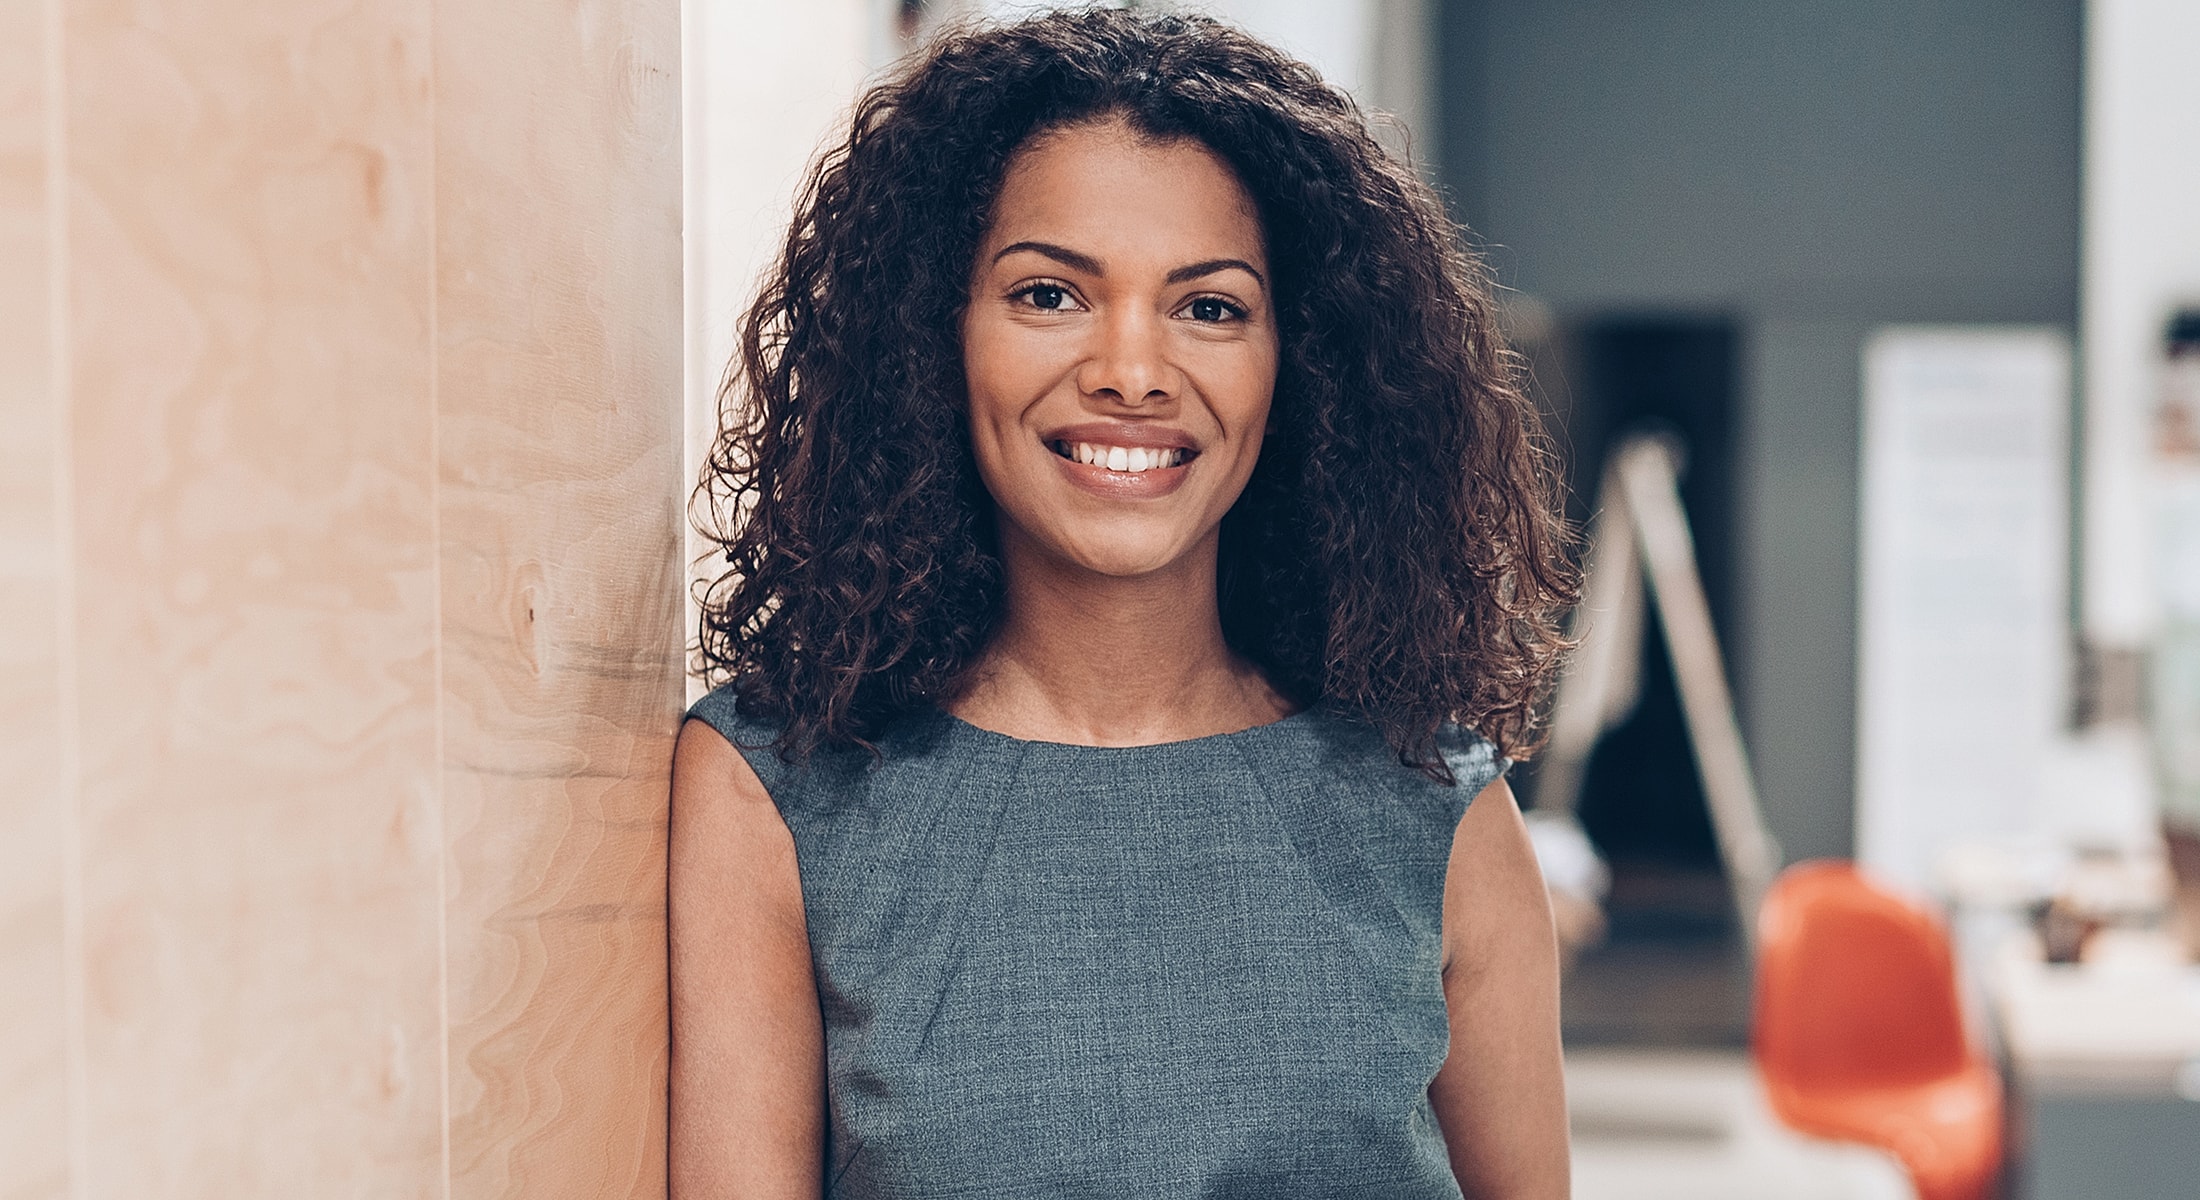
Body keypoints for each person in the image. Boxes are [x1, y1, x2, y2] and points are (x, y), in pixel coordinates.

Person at [670, 9, 1576, 1198]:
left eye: (1209, 307)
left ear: (1295, 361)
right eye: (1049, 294)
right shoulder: (772, 790)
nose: (1133, 372)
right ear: (931, 339)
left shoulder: (1436, 810)